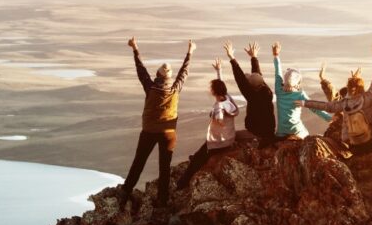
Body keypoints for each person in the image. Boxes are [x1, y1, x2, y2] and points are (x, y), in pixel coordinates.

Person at [118, 36, 195, 209]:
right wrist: (190, 52)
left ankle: (126, 191)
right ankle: (162, 199)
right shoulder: (175, 89)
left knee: (139, 162)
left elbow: (141, 69)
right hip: (168, 134)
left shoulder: (150, 87)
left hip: (149, 131)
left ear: (158, 75)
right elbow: (184, 72)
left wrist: (135, 48)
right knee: (164, 167)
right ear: (169, 77)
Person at [176, 58, 239, 189]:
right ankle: (200, 157)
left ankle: (182, 183)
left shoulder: (219, 106)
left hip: (220, 142)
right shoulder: (228, 98)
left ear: (214, 92)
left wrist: (216, 118)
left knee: (196, 160)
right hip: (228, 137)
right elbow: (222, 87)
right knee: (200, 152)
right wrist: (218, 70)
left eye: (211, 88)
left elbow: (220, 118)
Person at [298, 60, 372, 154]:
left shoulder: (343, 104)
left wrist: (305, 102)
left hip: (354, 145)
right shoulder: (367, 99)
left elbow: (327, 104)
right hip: (371, 142)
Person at [272, 41, 332, 138]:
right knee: (308, 137)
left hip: (281, 131)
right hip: (296, 130)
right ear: (298, 82)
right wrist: (330, 118)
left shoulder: (279, 90)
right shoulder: (300, 95)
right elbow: (315, 109)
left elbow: (277, 73)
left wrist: (276, 55)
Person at [224, 41, 276, 145]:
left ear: (252, 88)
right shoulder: (266, 90)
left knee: (229, 136)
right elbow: (257, 75)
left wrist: (232, 58)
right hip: (269, 132)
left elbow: (240, 80)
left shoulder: (253, 97)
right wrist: (253, 57)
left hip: (256, 134)